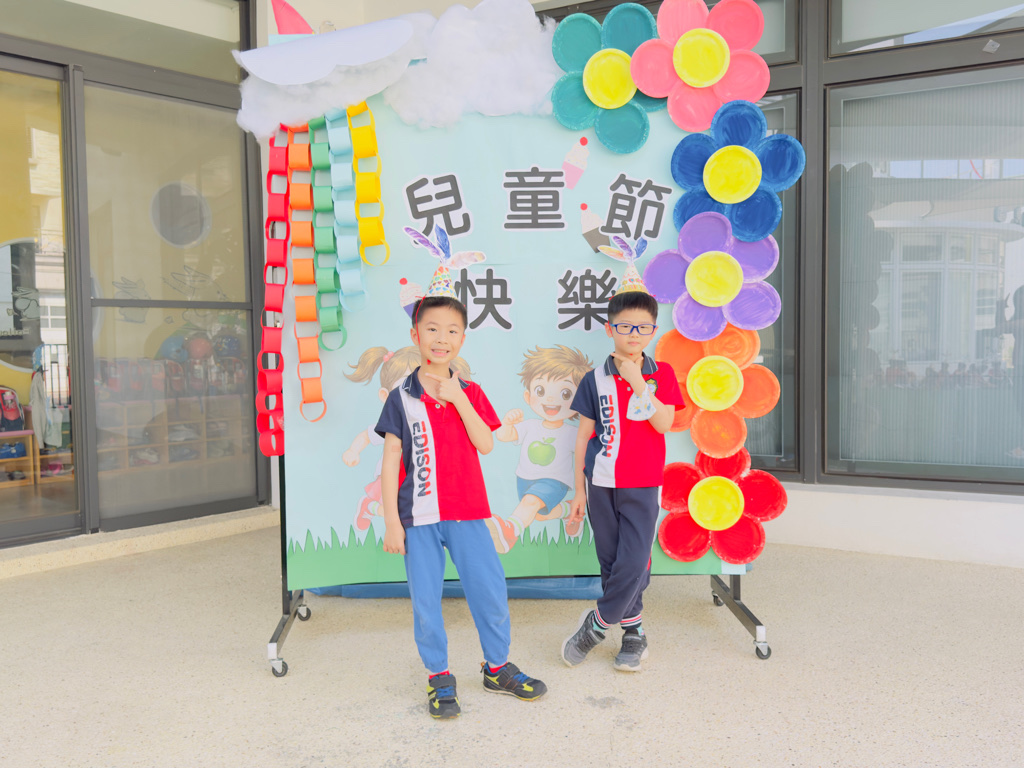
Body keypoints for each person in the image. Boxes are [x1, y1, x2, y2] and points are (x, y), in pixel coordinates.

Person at [376, 228, 546, 719]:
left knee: (489, 592)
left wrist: (456, 398)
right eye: (432, 329)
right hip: (419, 518)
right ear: (415, 335)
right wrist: (391, 523)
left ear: (463, 338)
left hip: (469, 512)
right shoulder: (401, 398)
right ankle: (438, 676)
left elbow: (486, 443)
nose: (441, 338)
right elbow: (390, 461)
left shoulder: (469, 391)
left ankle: (497, 668)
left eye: (452, 331)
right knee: (426, 602)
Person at [560, 261, 684, 673]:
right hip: (601, 482)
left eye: (643, 327)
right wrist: (579, 491)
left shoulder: (662, 374)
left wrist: (637, 381)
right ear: (609, 328)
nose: (634, 334)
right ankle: (634, 633)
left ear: (654, 331)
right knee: (611, 562)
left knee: (635, 560)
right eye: (625, 326)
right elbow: (583, 438)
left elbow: (663, 424)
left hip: (643, 483)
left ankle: (597, 624)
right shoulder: (593, 379)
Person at [342, 346, 471, 533]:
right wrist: (353, 450)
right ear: (386, 396)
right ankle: (369, 506)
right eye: (407, 388)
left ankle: (437, 531)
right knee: (393, 511)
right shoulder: (392, 423)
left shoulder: (434, 420)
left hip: (422, 480)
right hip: (393, 480)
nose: (416, 394)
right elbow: (367, 436)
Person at [486, 345, 593, 552]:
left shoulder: (573, 433)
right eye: (541, 391)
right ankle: (568, 510)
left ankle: (510, 531)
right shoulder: (530, 426)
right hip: (524, 480)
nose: (550, 399)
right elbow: (503, 436)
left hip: (554, 482)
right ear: (528, 397)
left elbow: (586, 453)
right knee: (538, 514)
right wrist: (507, 423)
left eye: (565, 393)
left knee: (530, 502)